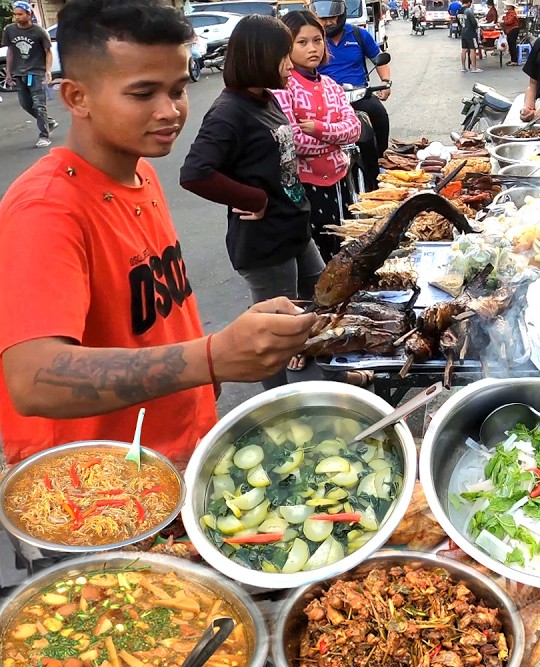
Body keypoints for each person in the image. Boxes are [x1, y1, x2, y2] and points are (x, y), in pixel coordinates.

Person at [0, 0, 313, 466]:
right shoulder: (45, 208)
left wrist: (224, 351)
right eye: (143, 93)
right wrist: (211, 356)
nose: (170, 111)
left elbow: (151, 315)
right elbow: (33, 378)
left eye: (178, 89)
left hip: (178, 451)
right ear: (76, 98)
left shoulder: (140, 174)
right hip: (99, 491)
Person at [180, 15, 315, 391]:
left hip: (294, 230)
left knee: (319, 302)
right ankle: (280, 405)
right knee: (276, 331)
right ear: (258, 58)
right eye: (283, 56)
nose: (290, 64)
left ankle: (330, 377)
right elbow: (194, 172)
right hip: (265, 244)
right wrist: (252, 197)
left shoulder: (265, 98)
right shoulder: (228, 113)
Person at [275, 10, 361, 263]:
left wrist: (320, 129)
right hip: (304, 187)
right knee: (319, 259)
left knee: (344, 251)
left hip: (339, 181)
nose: (312, 48)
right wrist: (335, 140)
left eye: (317, 40)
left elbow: (354, 129)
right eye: (302, 42)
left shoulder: (331, 85)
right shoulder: (282, 87)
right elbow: (294, 141)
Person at [313, 0, 391, 189]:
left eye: (331, 16)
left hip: (357, 94)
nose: (327, 22)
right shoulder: (315, 39)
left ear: (341, 15)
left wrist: (386, 83)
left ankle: (381, 163)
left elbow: (379, 59)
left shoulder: (358, 34)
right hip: (324, 98)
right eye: (322, 18)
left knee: (379, 114)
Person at [3, 1, 57, 148]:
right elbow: (10, 51)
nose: (17, 17)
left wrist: (48, 71)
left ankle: (44, 135)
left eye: (20, 14)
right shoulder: (10, 30)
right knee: (26, 104)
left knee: (39, 105)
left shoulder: (39, 32)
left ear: (29, 14)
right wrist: (8, 73)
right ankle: (49, 122)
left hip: (36, 72)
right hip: (19, 74)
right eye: (15, 14)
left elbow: (48, 52)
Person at [460, 0, 481, 72]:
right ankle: (474, 68)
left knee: (464, 50)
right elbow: (474, 22)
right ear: (468, 2)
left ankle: (463, 67)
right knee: (472, 50)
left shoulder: (459, 11)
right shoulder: (468, 11)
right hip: (471, 33)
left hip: (463, 33)